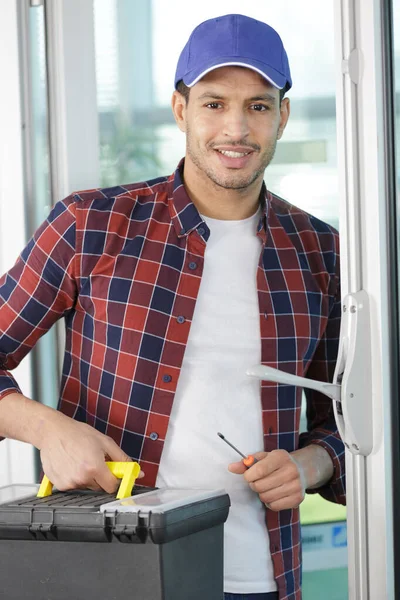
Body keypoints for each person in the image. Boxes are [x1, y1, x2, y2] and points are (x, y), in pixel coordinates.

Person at [0, 13, 345, 600]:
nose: (235, 129)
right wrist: (46, 428)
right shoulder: (91, 225)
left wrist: (313, 465)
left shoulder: (321, 253)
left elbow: (356, 420)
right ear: (181, 109)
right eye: (214, 103)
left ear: (282, 116)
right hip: (105, 570)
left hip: (261, 578)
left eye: (258, 107)